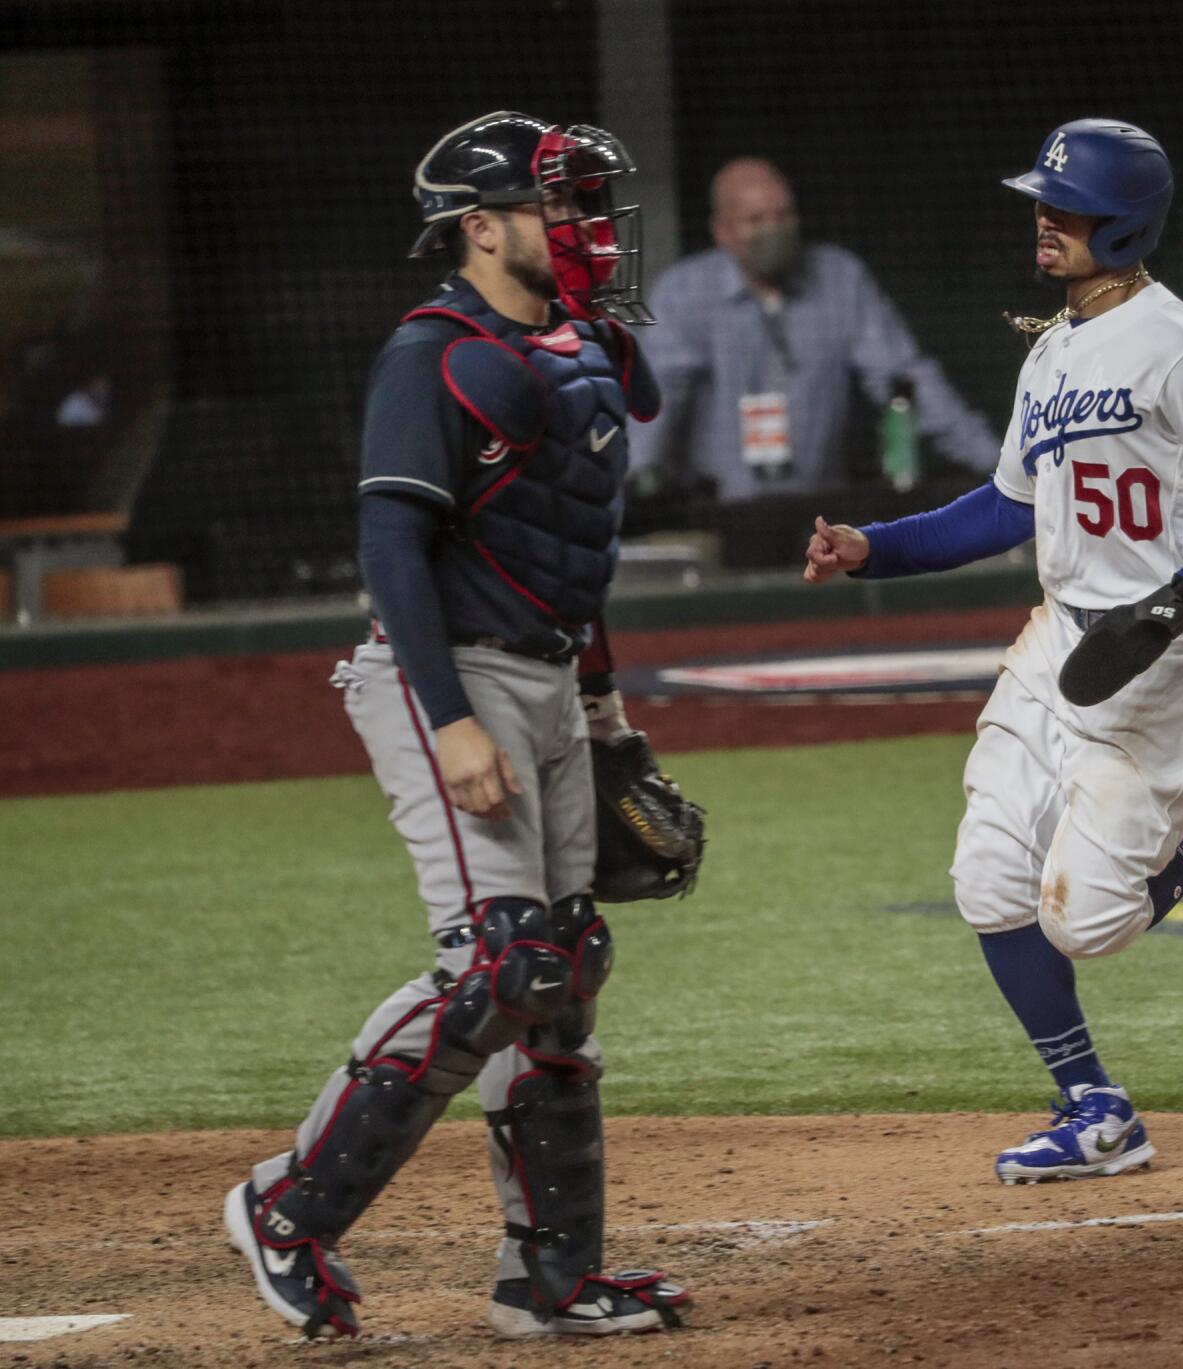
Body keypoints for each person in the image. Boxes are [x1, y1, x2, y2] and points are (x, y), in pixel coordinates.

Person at [221, 111, 692, 1340]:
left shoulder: (579, 346)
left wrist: (603, 709)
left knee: (566, 972)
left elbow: (573, 552)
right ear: (481, 230)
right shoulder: (433, 354)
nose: (586, 227)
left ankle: (550, 1276)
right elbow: (392, 544)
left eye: (589, 201)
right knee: (499, 966)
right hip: (449, 682)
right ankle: (285, 1209)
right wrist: (450, 723)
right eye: (559, 205)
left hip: (548, 678)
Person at [803, 119, 1183, 1184]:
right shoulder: (1052, 350)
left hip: (1164, 659)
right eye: (1041, 200)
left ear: (1123, 221)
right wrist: (872, 550)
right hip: (1056, 642)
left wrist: (1180, 605)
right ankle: (1094, 1108)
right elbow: (1004, 508)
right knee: (987, 881)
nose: (1043, 218)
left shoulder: (1181, 345)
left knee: (1091, 923)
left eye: (1065, 205)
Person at [627, 156, 1001, 505]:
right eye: (756, 221)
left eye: (784, 215)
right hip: (722, 509)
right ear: (722, 231)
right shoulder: (686, 291)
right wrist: (631, 489)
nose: (773, 230)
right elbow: (659, 398)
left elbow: (903, 378)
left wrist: (999, 465)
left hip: (821, 507)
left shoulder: (840, 278)